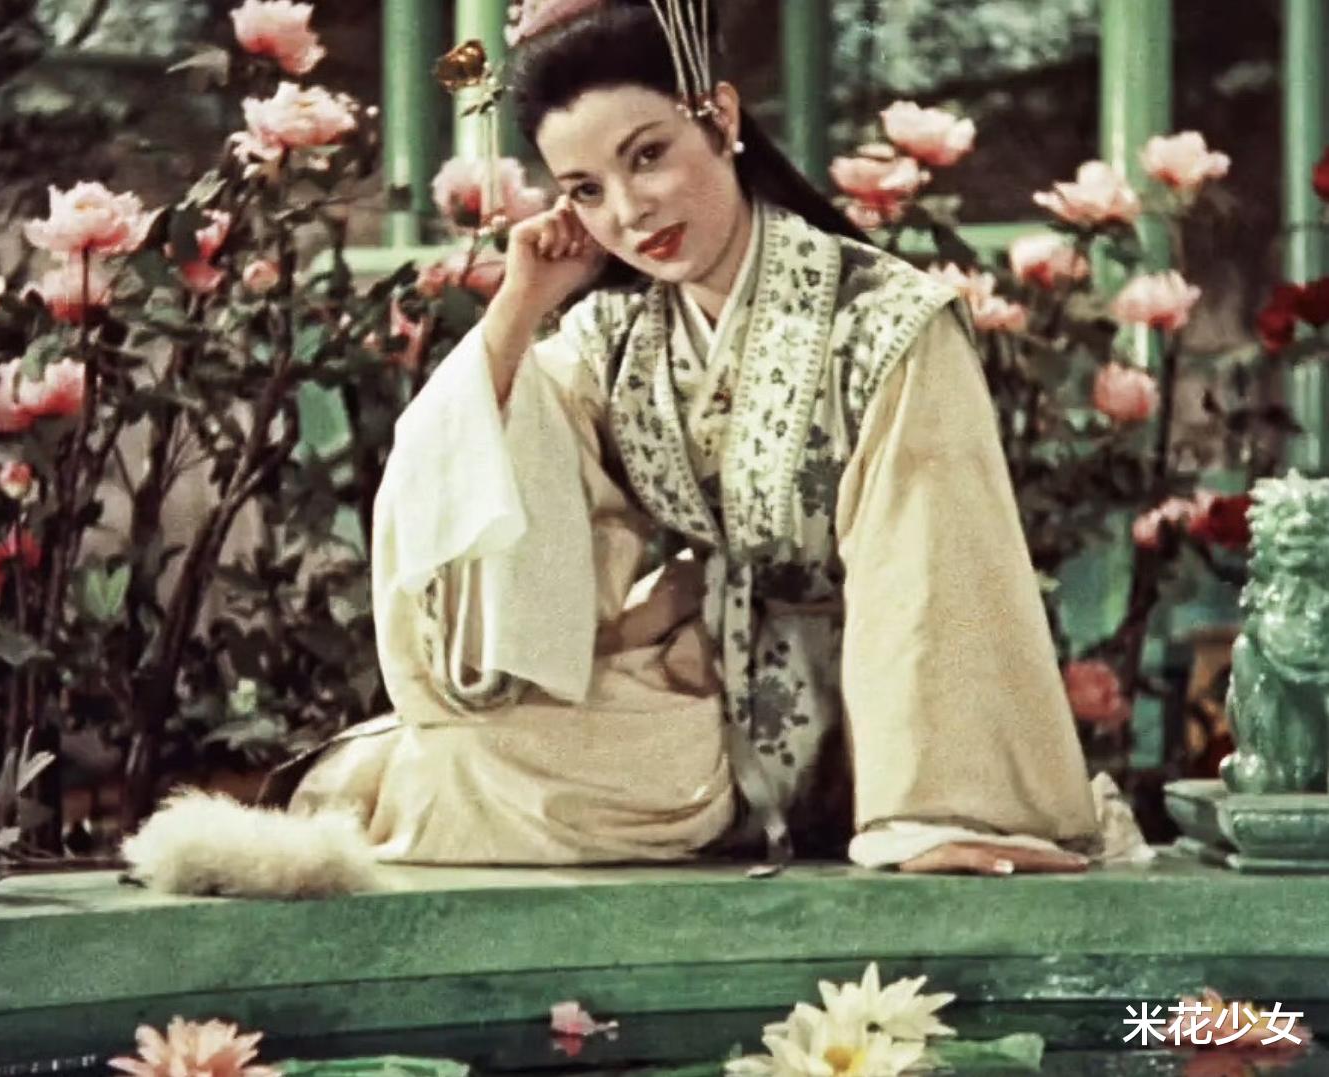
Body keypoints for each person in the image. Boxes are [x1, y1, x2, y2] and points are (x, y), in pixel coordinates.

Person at [127, 0, 1109, 891]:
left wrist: (930, 811)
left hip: (856, 725)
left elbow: (930, 575)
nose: (630, 212)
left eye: (648, 155)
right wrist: (519, 307)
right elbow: (495, 492)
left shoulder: (888, 322)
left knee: (447, 785)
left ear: (720, 117)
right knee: (425, 760)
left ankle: (914, 808)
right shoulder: (617, 334)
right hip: (689, 690)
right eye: (586, 189)